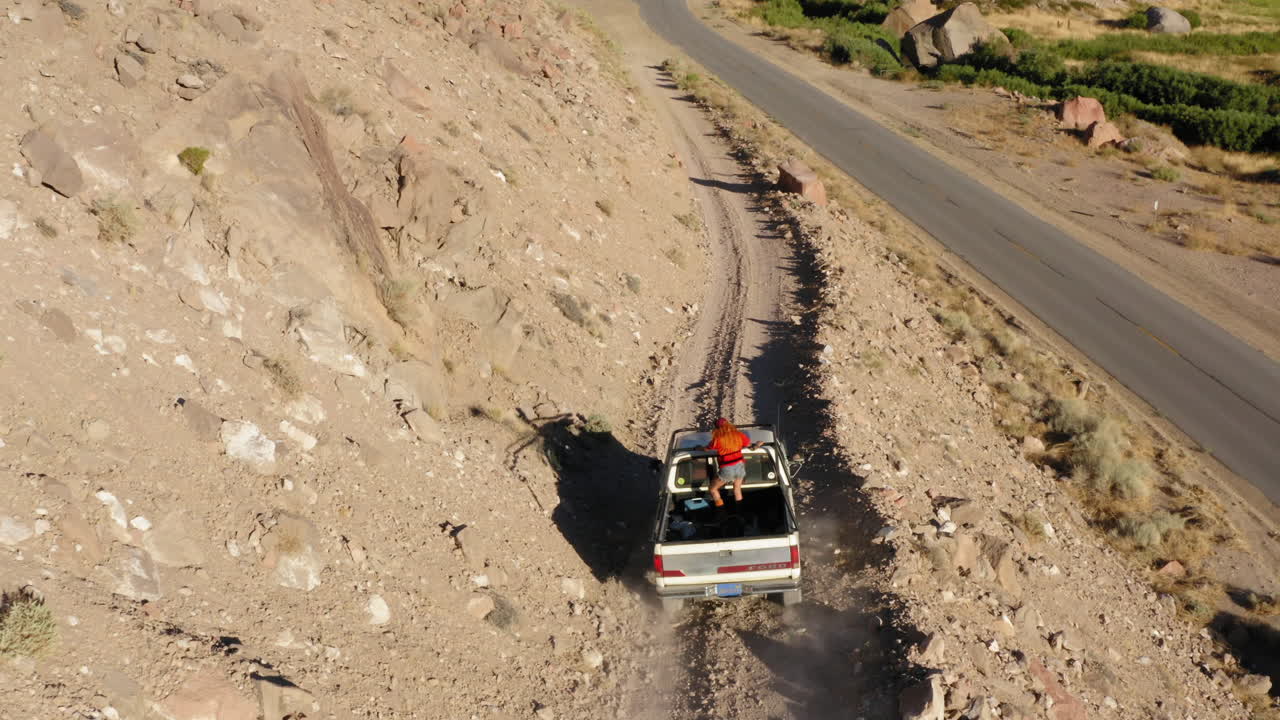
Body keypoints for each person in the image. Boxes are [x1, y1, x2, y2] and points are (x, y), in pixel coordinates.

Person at [702, 418, 760, 507]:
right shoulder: (739, 435)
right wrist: (758, 444)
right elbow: (751, 447)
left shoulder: (718, 439)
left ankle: (721, 510)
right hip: (740, 466)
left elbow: (706, 449)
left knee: (713, 489)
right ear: (728, 425)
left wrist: (698, 448)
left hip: (727, 468)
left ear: (717, 428)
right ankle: (740, 512)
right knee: (737, 489)